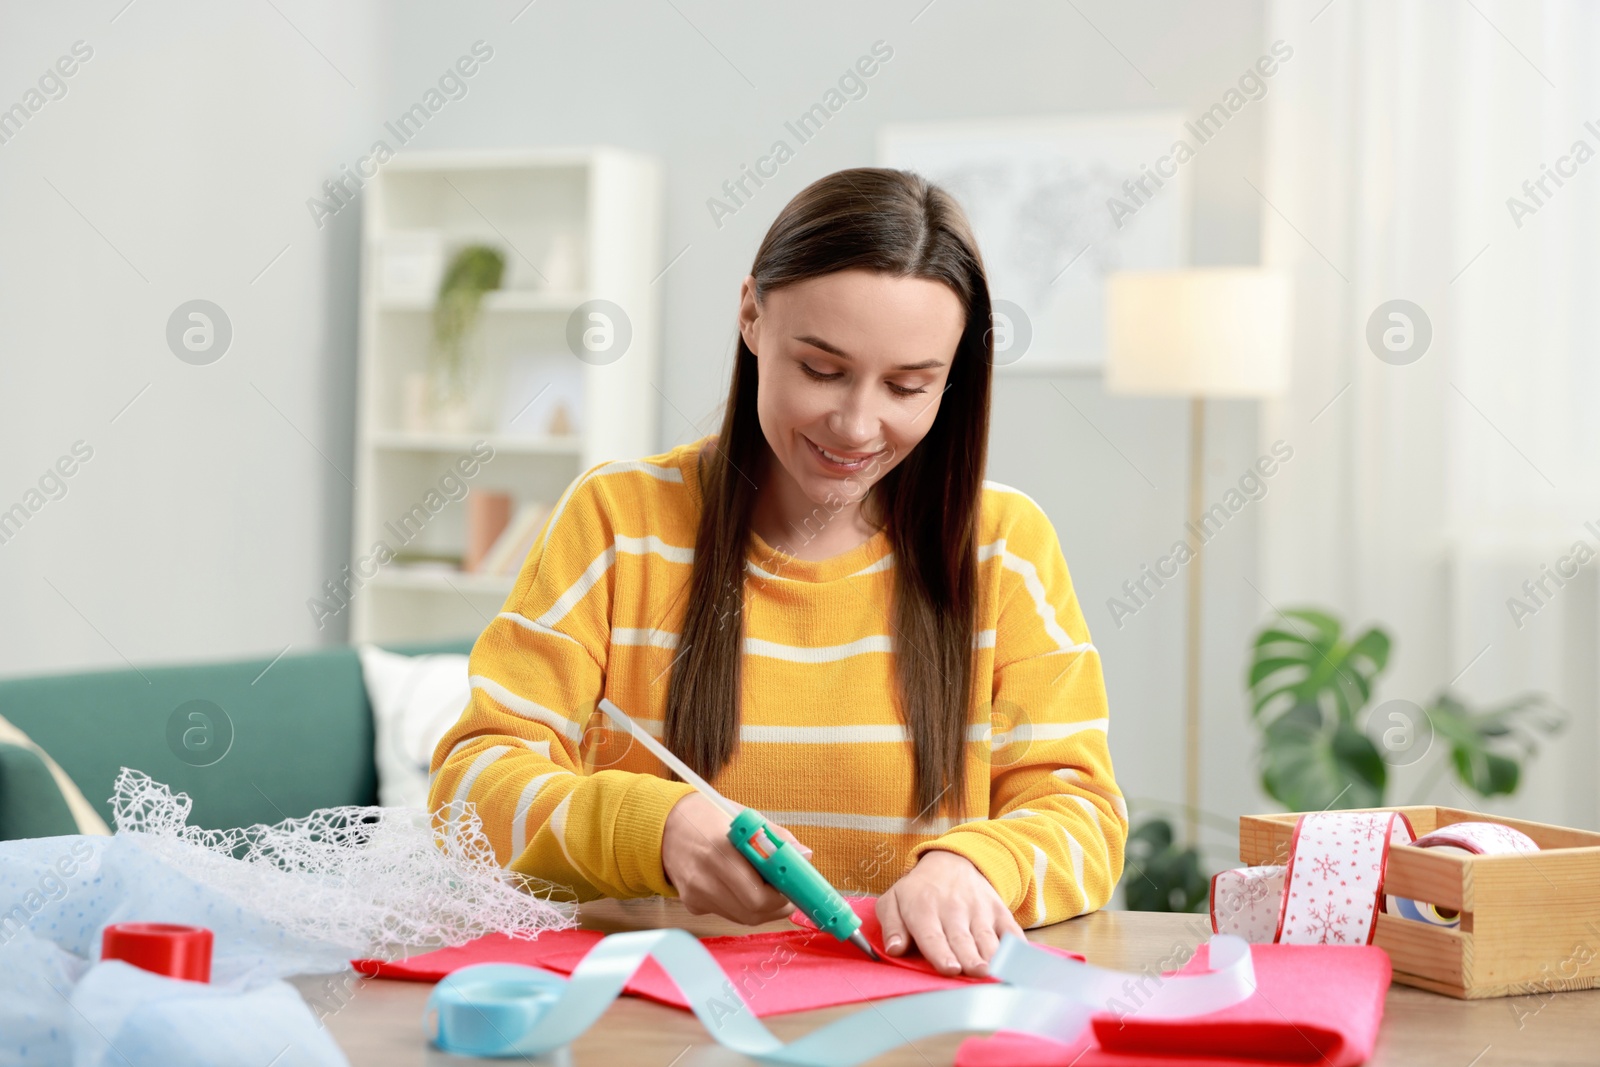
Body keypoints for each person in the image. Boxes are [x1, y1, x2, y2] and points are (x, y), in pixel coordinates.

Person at [429, 167, 1127, 978]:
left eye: (909, 385)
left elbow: (1084, 817)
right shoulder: (618, 521)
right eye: (823, 370)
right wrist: (651, 827)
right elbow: (467, 790)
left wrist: (975, 866)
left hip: (908, 1024)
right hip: (647, 1022)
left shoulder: (1004, 545)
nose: (858, 425)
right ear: (752, 317)